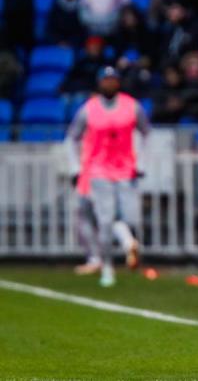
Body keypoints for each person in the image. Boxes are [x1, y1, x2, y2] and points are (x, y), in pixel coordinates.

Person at [65, 66, 147, 287]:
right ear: (99, 82)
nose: (109, 84)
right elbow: (71, 138)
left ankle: (120, 248)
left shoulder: (132, 107)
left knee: (123, 218)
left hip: (124, 170)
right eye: (106, 80)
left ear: (118, 82)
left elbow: (146, 132)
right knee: (104, 219)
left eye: (113, 80)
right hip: (97, 170)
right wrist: (75, 168)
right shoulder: (89, 110)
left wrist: (140, 161)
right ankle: (107, 265)